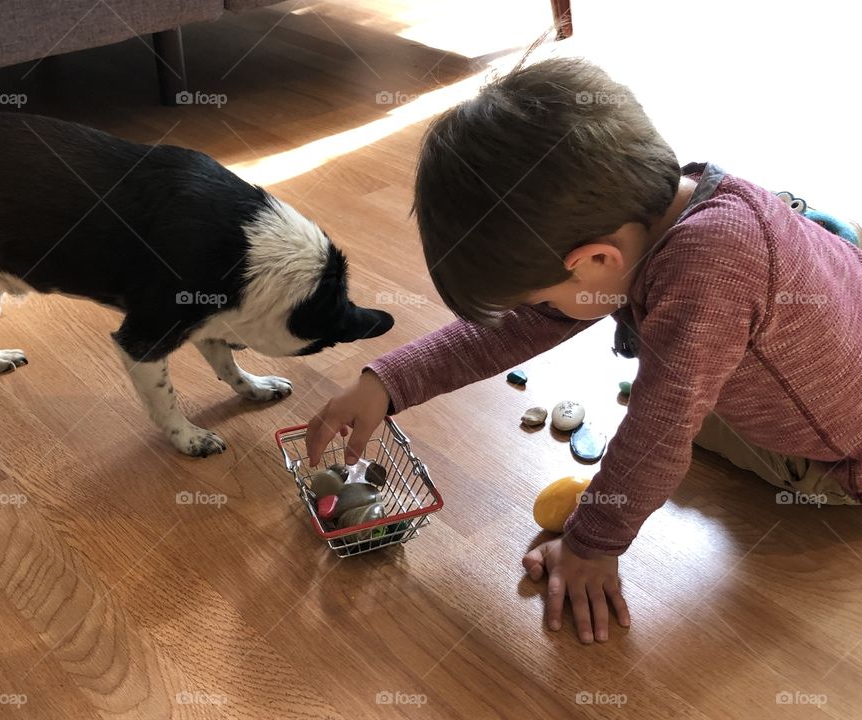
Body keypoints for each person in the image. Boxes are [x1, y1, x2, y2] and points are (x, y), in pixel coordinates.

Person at [305, 56, 862, 644]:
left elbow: (656, 436)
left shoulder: (708, 272)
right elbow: (517, 330)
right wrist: (388, 381)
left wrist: (592, 543)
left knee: (673, 419)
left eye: (541, 296)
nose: (537, 314)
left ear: (596, 261)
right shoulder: (668, 202)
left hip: (842, 451)